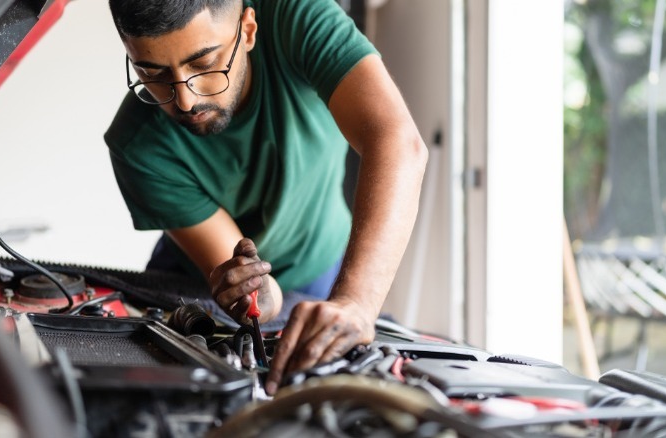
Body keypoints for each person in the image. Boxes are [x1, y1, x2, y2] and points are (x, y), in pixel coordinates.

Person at [104, 0, 427, 395]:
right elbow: (250, 285)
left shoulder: (298, 16)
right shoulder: (138, 145)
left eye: (204, 63)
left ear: (249, 30)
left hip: (323, 263)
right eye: (151, 73)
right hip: (200, 283)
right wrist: (251, 293)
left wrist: (356, 302)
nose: (185, 100)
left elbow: (396, 143)